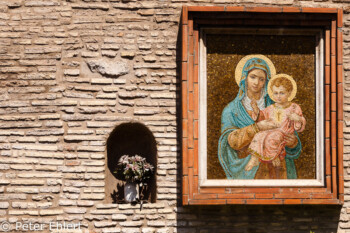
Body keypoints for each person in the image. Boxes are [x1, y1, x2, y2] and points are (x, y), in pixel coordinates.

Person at [218, 55, 302, 179]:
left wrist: (293, 142)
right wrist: (257, 127)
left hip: (279, 171)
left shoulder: (276, 105)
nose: (256, 83)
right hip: (250, 173)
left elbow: (292, 133)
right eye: (252, 77)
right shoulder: (231, 110)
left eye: (261, 79)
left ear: (266, 82)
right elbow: (229, 142)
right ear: (244, 78)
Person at [245, 74, 306, 172]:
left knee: (273, 138)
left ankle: (274, 156)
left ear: (289, 93)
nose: (278, 96)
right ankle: (254, 158)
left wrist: (297, 118)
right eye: (275, 93)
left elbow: (299, 126)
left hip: (284, 134)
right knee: (259, 135)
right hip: (271, 131)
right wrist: (256, 111)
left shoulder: (294, 107)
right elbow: (261, 117)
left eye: (282, 93)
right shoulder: (271, 107)